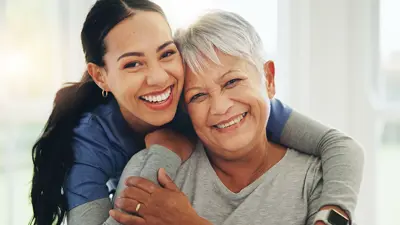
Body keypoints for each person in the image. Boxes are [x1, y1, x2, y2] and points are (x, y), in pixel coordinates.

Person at [29, 1, 363, 225]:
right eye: (133, 63)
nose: (159, 77)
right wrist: (164, 152)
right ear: (101, 75)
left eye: (166, 54)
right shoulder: (93, 143)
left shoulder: (219, 109)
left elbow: (340, 145)